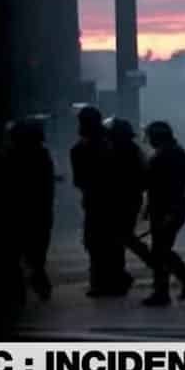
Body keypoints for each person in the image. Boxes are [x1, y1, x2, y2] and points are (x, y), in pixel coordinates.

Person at [140, 121, 185, 307]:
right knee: (160, 251)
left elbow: (171, 186)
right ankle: (167, 289)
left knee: (160, 252)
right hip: (166, 210)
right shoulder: (171, 152)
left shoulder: (168, 154)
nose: (148, 140)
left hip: (168, 211)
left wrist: (171, 212)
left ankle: (177, 285)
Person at [71, 106, 128, 297]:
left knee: (96, 244)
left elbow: (79, 180)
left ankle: (100, 283)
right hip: (114, 201)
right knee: (112, 244)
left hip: (96, 202)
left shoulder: (80, 148)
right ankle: (116, 279)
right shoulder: (112, 143)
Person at [2, 117, 55, 302]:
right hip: (39, 212)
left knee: (15, 254)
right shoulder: (42, 155)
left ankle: (19, 291)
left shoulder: (11, 155)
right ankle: (38, 283)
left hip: (18, 212)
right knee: (36, 254)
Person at [104, 117, 158, 293]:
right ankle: (121, 275)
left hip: (124, 200)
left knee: (122, 237)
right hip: (130, 199)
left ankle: (155, 263)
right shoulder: (132, 150)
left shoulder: (120, 151)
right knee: (120, 238)